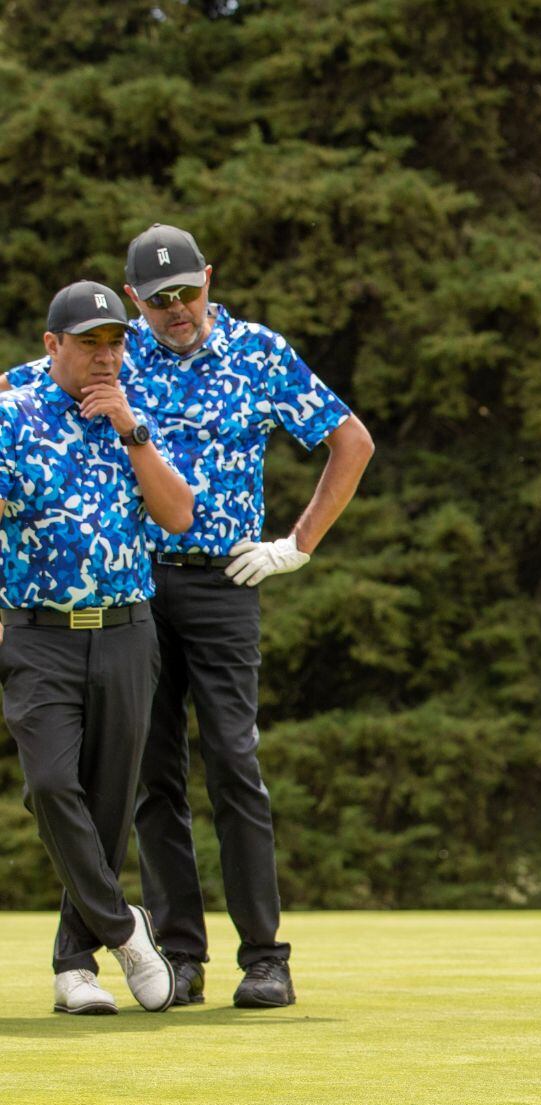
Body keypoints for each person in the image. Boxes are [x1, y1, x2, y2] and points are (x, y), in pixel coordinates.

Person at [4, 224, 375, 1009]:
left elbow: (351, 441)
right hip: (131, 591)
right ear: (135, 299)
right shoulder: (114, 350)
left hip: (221, 578)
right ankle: (180, 952)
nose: (178, 309)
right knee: (150, 779)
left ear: (209, 278)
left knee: (234, 761)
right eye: (160, 299)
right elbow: (49, 377)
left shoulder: (258, 353)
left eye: (189, 292)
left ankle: (265, 956)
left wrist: (297, 543)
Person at [0, 281, 197, 1014]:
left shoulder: (133, 417)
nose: (106, 356)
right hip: (39, 635)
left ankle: (72, 966)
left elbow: (177, 515)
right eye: (89, 343)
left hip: (126, 632)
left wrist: (132, 431)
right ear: (52, 347)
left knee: (110, 804)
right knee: (51, 784)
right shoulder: (10, 418)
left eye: (114, 341)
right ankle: (126, 929)